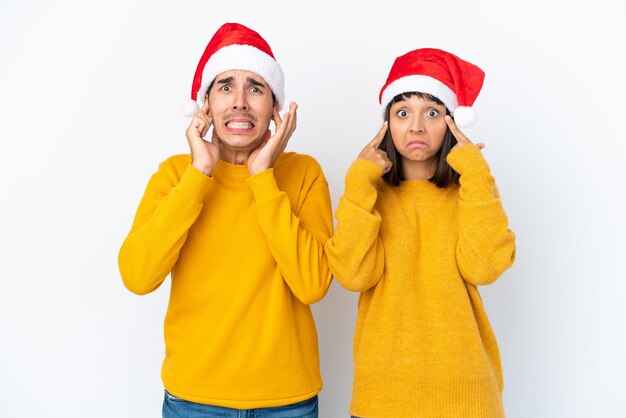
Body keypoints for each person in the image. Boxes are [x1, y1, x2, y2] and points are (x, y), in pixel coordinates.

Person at [118, 22, 332, 418]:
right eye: (225, 86)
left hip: (286, 402)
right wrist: (199, 172)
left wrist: (262, 177)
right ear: (205, 106)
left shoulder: (303, 174)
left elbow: (313, 284)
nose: (239, 103)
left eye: (255, 88)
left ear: (274, 108)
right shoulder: (175, 175)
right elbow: (137, 276)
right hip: (193, 400)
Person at [324, 48, 517, 417]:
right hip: (381, 399)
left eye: (432, 112)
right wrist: (359, 180)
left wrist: (476, 175)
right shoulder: (369, 193)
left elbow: (486, 267)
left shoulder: (471, 191)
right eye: (402, 112)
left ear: (453, 123)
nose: (416, 126)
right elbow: (352, 274)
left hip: (467, 398)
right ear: (387, 126)